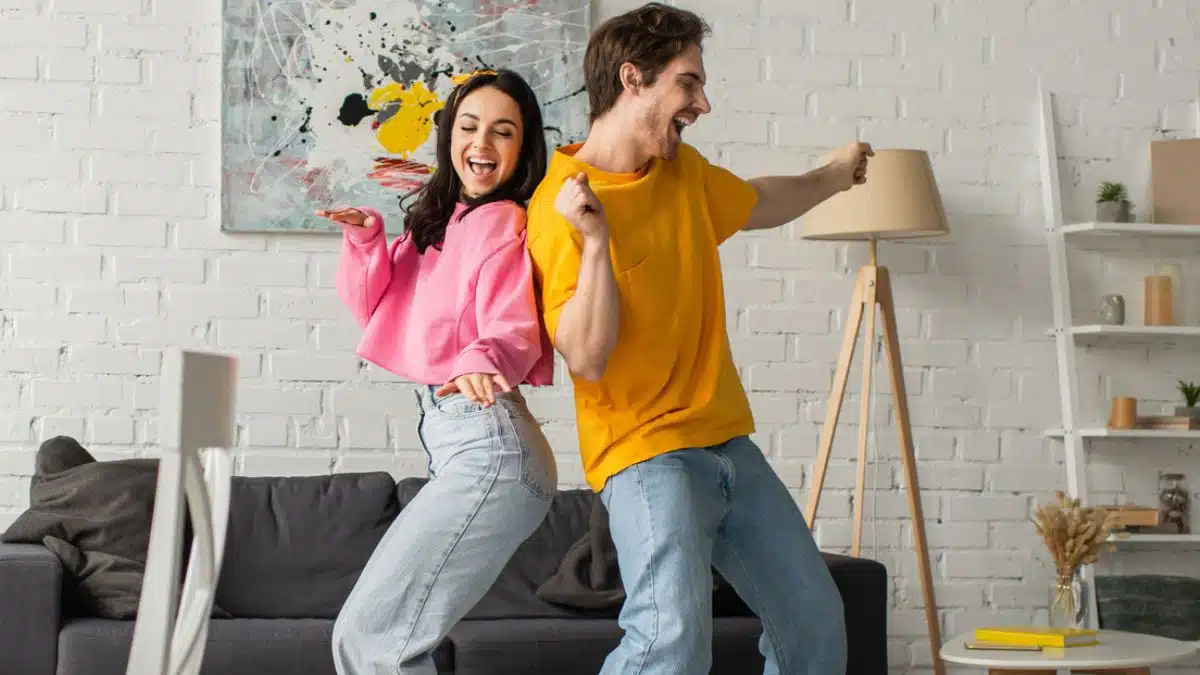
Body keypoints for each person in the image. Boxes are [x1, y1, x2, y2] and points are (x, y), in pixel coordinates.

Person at [525, 4, 873, 674]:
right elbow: (587, 355)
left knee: (815, 622)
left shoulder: (682, 174)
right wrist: (597, 243)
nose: (702, 102)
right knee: (671, 642)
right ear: (633, 78)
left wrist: (834, 175)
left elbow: (756, 200)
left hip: (727, 443)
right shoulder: (560, 205)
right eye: (688, 83)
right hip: (645, 453)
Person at [324, 69, 558, 675]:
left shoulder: (503, 221)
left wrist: (485, 359)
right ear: (449, 134)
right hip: (464, 443)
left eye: (503, 132)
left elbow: (511, 323)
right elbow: (379, 304)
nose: (482, 144)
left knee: (371, 640)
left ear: (522, 147)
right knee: (376, 641)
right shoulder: (441, 218)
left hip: (491, 445)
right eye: (470, 126)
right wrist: (368, 239)